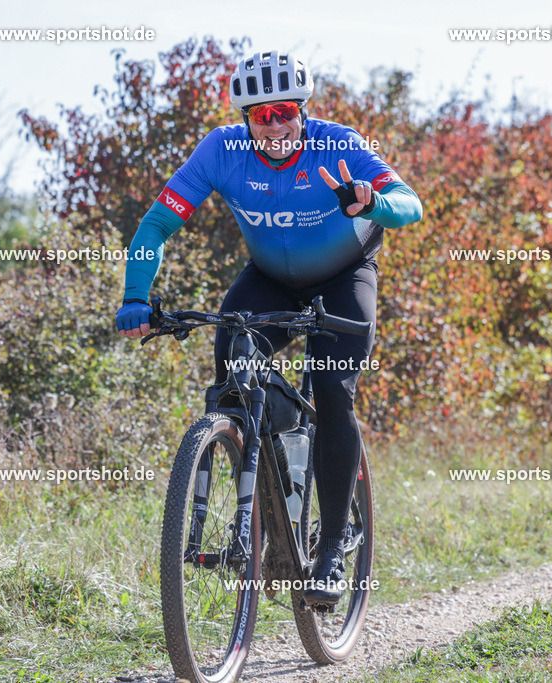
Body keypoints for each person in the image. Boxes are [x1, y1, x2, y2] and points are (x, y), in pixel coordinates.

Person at [116, 50, 422, 605]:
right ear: (246, 120)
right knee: (233, 370)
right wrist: (136, 296)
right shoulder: (221, 150)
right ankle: (271, 485)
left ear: (302, 111)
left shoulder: (338, 143)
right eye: (263, 115)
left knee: (332, 390)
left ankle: (330, 552)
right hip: (270, 280)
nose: (276, 124)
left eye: (286, 112)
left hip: (345, 277)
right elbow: (157, 223)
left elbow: (410, 205)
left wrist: (373, 203)